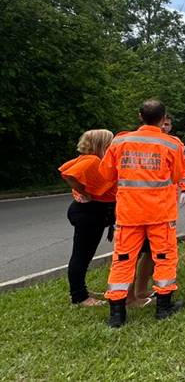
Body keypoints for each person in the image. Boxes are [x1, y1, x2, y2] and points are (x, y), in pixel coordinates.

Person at [98, 99, 185, 328]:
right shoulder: (172, 145)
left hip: (129, 213)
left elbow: (106, 175)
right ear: (163, 118)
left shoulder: (120, 141)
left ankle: (117, 315)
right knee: (164, 259)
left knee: (122, 260)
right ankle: (163, 308)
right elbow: (178, 175)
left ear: (140, 116)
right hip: (161, 213)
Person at [128, 113, 185, 308]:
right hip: (136, 208)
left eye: (169, 125)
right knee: (132, 254)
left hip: (162, 208)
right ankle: (130, 296)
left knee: (154, 254)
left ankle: (141, 289)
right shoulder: (134, 142)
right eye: (163, 124)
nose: (165, 127)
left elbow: (183, 169)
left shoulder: (173, 143)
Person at [59, 129, 117, 307]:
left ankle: (80, 291)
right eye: (109, 141)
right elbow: (69, 174)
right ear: (101, 143)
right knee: (82, 255)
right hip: (90, 213)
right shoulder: (91, 160)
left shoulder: (91, 159)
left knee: (84, 254)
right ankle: (79, 296)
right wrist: (84, 191)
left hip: (93, 212)